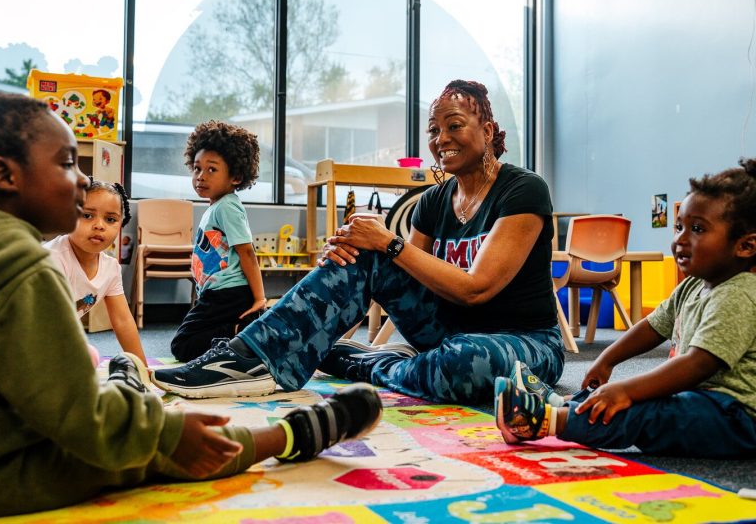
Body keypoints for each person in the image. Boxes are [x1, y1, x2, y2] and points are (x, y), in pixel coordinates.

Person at [0, 93, 383, 518]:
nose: (84, 181)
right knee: (144, 450)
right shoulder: (25, 270)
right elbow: (87, 420)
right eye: (68, 163)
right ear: (4, 175)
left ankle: (131, 383)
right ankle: (285, 437)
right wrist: (169, 432)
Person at [153, 79, 564, 404]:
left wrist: (389, 243)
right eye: (434, 130)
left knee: (464, 363)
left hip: (525, 341)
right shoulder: (432, 201)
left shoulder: (522, 190)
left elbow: (477, 289)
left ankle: (369, 366)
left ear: (487, 131)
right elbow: (411, 279)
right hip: (446, 331)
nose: (441, 139)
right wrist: (348, 260)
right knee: (365, 252)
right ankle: (249, 357)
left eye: (454, 126)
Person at [494, 158, 756, 458]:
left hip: (736, 417)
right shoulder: (693, 285)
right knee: (625, 396)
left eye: (697, 229)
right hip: (700, 397)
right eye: (678, 227)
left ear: (745, 246)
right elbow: (652, 327)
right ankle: (561, 403)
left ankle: (545, 420)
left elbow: (697, 364)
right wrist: (607, 360)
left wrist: (628, 390)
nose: (680, 240)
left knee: (640, 408)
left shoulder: (739, 295)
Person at [168, 120, 267, 363]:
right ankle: (243, 336)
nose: (200, 176)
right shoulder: (218, 206)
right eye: (197, 168)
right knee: (190, 341)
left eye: (211, 170)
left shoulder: (227, 207)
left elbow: (247, 252)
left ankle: (245, 333)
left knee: (182, 345)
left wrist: (259, 298)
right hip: (217, 293)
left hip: (228, 293)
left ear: (236, 176)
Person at [45, 179, 147, 365]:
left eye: (110, 219)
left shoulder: (110, 268)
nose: (99, 225)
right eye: (87, 215)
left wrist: (143, 368)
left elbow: (123, 321)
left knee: (89, 357)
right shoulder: (53, 258)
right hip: (16, 335)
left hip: (53, 339)